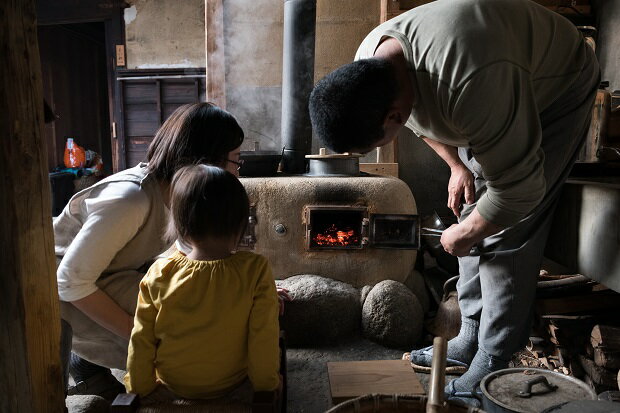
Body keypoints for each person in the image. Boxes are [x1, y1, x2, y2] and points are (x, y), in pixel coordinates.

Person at [309, 0, 599, 403]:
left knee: (507, 232)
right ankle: (469, 335)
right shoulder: (372, 63)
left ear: (389, 115)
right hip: (491, 83)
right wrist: (455, 167)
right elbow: (415, 119)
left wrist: (474, 230)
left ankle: (495, 358)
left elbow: (519, 191)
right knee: (466, 206)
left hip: (556, 85)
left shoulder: (472, 81)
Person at [54, 102, 289, 398]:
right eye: (235, 162)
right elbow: (69, 280)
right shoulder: (131, 199)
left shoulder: (177, 192)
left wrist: (255, 288)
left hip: (105, 274)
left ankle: (89, 365)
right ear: (207, 161)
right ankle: (89, 365)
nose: (237, 173)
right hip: (64, 287)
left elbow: (190, 252)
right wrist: (144, 336)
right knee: (175, 316)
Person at [124, 164, 280, 403]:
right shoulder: (255, 270)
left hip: (173, 384)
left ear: (180, 222)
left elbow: (141, 339)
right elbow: (263, 336)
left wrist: (140, 388)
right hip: (232, 385)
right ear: (240, 223)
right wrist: (265, 386)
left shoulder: (160, 272)